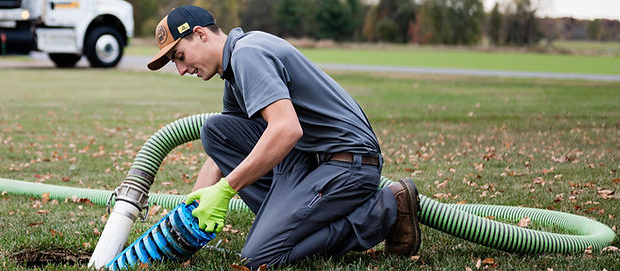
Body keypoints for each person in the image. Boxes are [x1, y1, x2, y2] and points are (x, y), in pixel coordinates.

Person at [146, 5, 422, 269]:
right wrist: (192, 210)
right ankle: (285, 222)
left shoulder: (248, 55)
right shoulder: (234, 69)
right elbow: (221, 152)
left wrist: (226, 189)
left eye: (180, 57)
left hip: (347, 164)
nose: (181, 70)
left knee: (259, 257)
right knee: (215, 131)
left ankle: (385, 209)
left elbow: (287, 129)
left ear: (201, 34)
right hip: (309, 160)